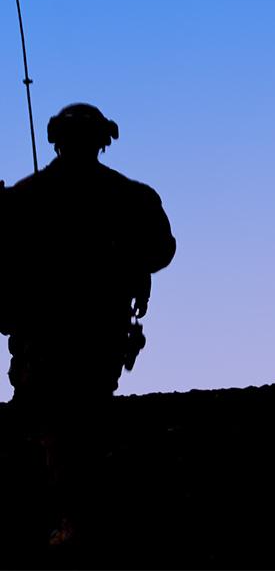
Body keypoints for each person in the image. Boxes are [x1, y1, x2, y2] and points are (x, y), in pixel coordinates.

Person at [0, 103, 176, 546]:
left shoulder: (26, 197)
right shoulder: (131, 196)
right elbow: (161, 251)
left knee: (51, 419)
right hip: (96, 328)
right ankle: (76, 515)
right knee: (80, 416)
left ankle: (65, 517)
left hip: (50, 330)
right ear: (104, 140)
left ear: (55, 139)